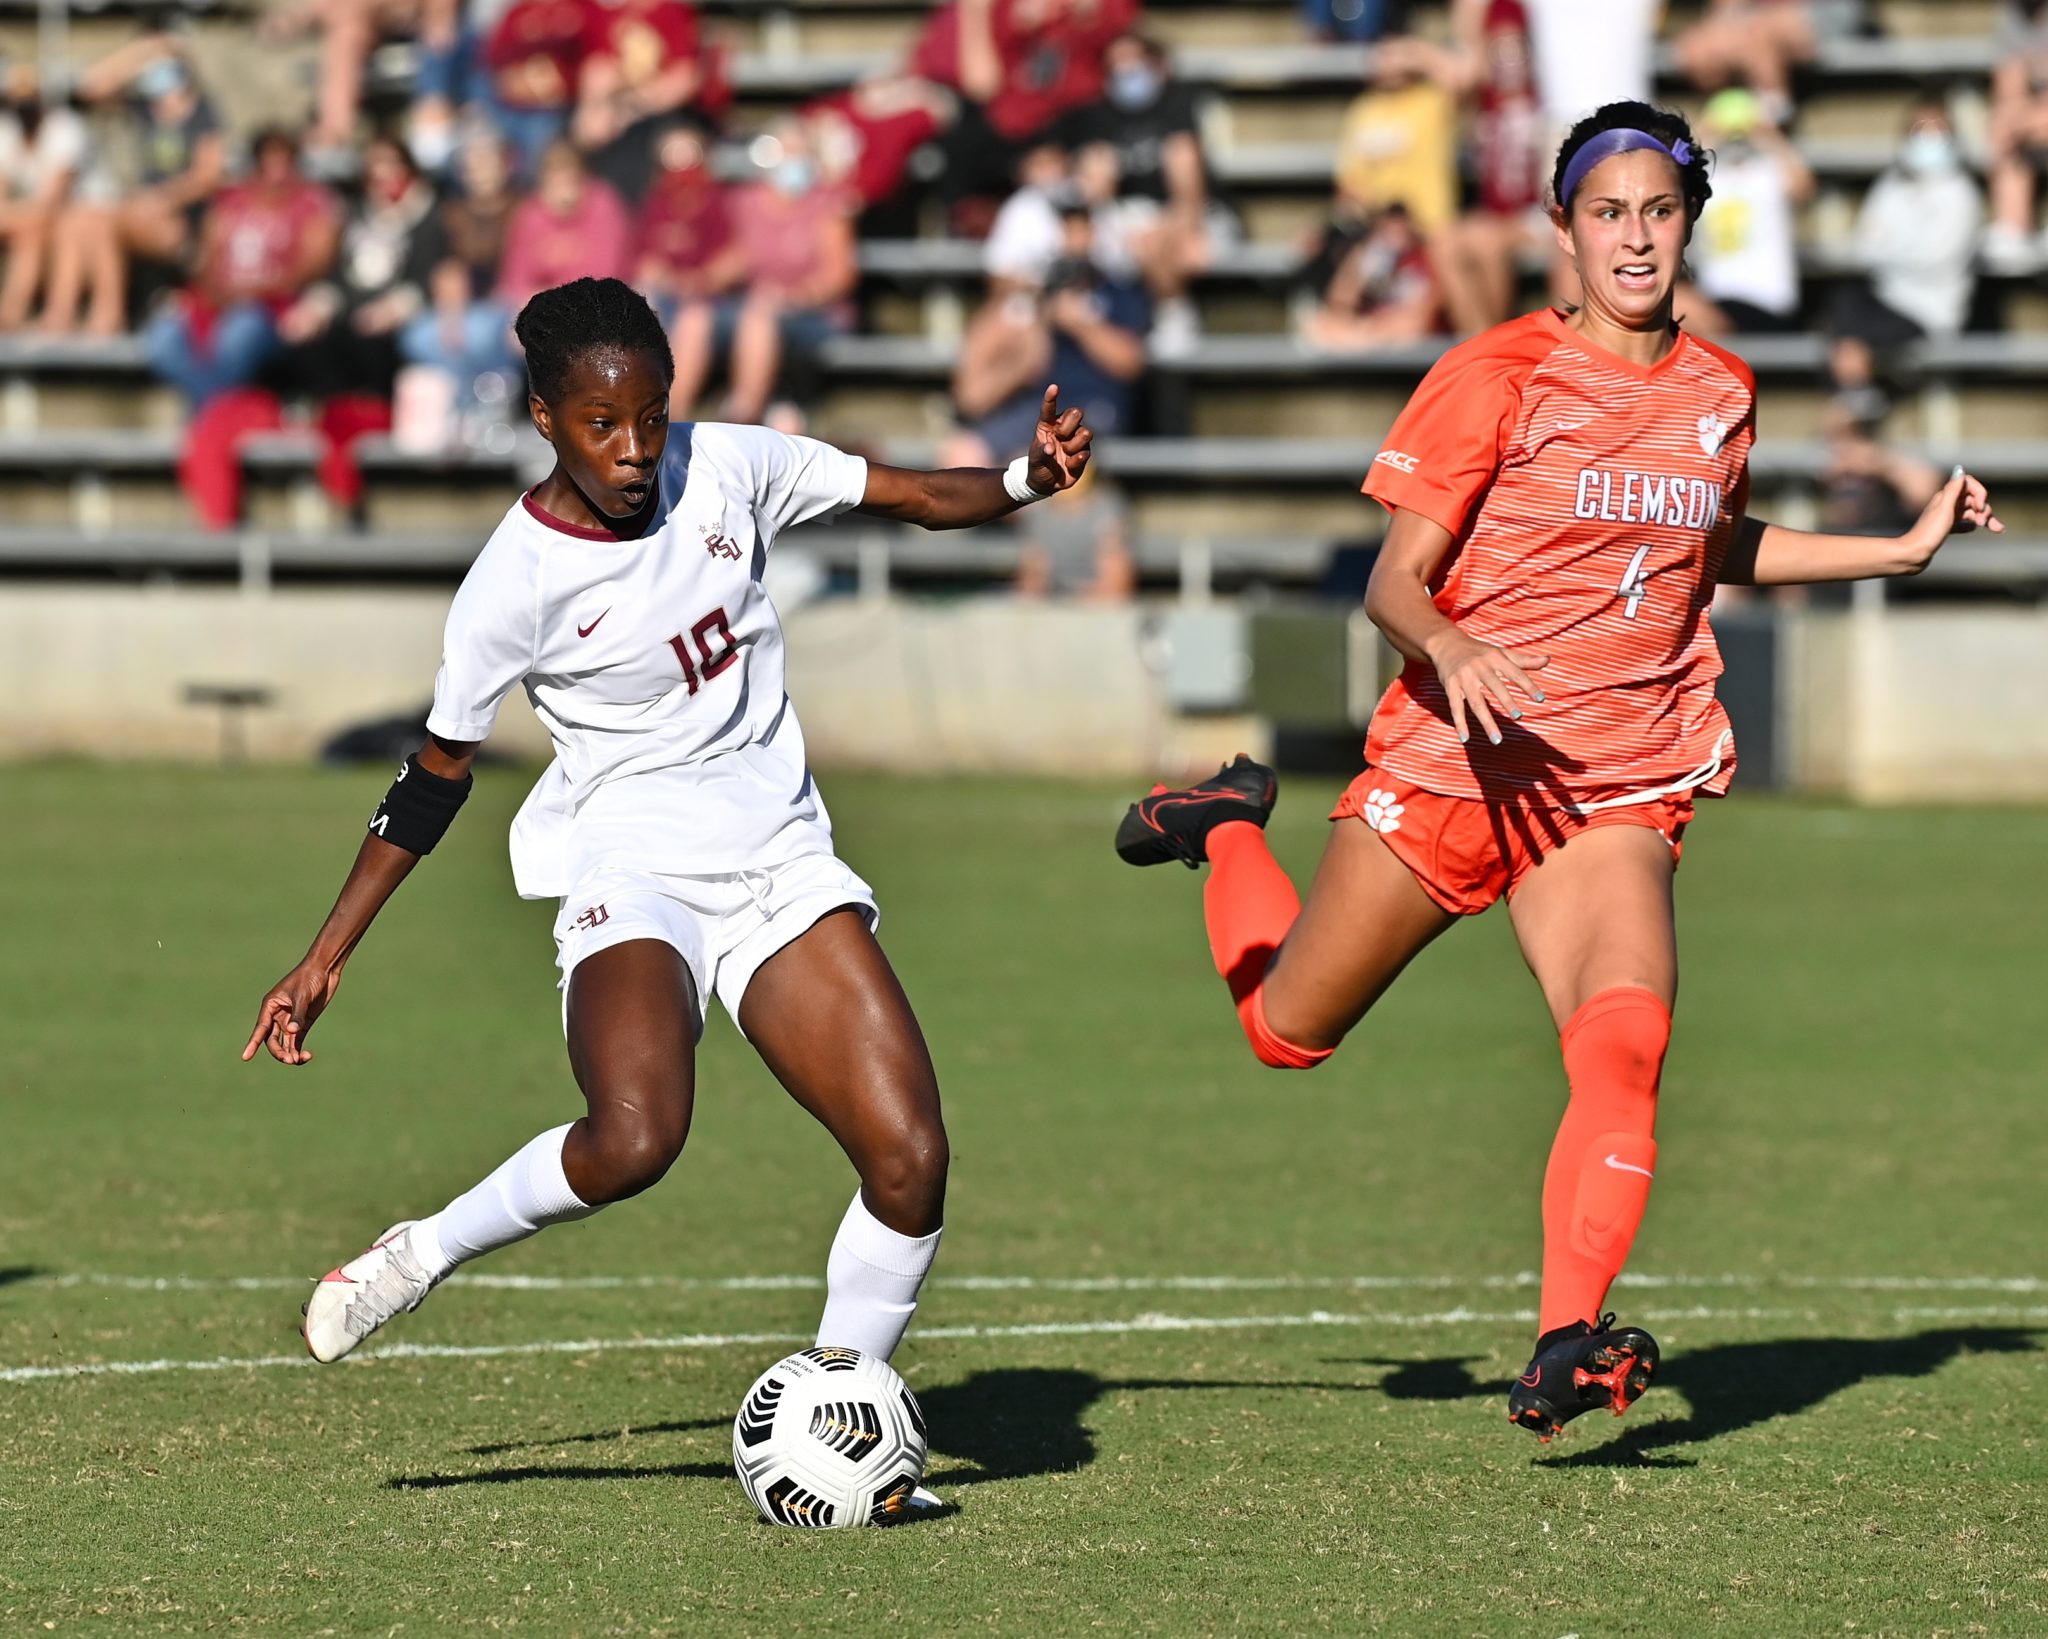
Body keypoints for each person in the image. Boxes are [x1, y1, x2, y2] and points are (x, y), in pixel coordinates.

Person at [1113, 101, 2002, 1444]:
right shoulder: (1495, 374)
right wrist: (1449, 644)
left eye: (1658, 211)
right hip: (1460, 766)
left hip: (1618, 775)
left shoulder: (1722, 389)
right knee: (1284, 1029)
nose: (1634, 237)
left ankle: (1565, 1340)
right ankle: (1225, 821)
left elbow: (1708, 544)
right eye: (1608, 213)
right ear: (1565, 229)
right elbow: (1394, 581)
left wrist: (1894, 550)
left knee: (1624, 1041)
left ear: (1690, 223)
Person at [240, 281, 1094, 1492]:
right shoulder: (510, 584)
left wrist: (1023, 480)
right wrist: (323, 957)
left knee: (909, 1159)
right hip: (630, 866)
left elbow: (907, 495)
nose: (636, 450)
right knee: (636, 1138)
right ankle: (419, 1250)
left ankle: (837, 1424)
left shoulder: (726, 466)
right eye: (602, 425)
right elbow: (433, 778)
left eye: (650, 416)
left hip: (777, 859)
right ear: (545, 417)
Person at [1059, 31, 1236, 352]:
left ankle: (1172, 311)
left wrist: (1179, 227)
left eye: (1134, 60)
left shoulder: (1179, 103)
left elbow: (1189, 184)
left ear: (1157, 64)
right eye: (1116, 63)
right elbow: (1094, 193)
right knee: (1144, 239)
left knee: (1176, 173)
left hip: (1192, 214)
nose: (1126, 70)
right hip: (1134, 220)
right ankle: (1172, 307)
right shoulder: (1098, 115)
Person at [39, 39, 227, 335]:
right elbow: (88, 87)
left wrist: (162, 198)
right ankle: (64, 313)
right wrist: (142, 51)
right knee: (80, 220)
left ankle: (108, 316)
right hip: (140, 210)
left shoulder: (202, 110)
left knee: (108, 220)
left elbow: (208, 176)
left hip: (183, 221)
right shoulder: (144, 107)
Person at [144, 128, 342, 407]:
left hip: (273, 308)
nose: (276, 174)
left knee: (238, 335)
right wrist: (218, 292)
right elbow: (207, 261)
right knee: (162, 339)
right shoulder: (229, 203)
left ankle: (208, 416)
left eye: (283, 164)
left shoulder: (313, 204)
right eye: (268, 164)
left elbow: (313, 265)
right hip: (219, 300)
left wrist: (254, 290)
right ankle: (214, 411)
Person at [1825, 100, 1982, 423]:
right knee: (1843, 303)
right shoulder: (1891, 185)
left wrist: (1889, 251)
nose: (1928, 139)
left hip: (1928, 311)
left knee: (1851, 335)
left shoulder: (1962, 193)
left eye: (1937, 130)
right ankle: (1856, 396)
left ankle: (1855, 402)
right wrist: (1895, 252)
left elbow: (1938, 259)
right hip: (1886, 296)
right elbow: (1865, 245)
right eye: (1920, 129)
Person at [952, 191, 1148, 451]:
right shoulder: (1030, 302)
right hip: (1038, 409)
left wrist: (1081, 324)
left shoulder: (1118, 292)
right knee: (964, 451)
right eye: (1066, 228)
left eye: (1082, 227)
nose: (1073, 239)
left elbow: (1131, 363)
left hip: (1092, 408)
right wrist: (1025, 349)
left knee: (1043, 455)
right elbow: (972, 395)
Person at [1687, 87, 1812, 335]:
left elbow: (1804, 188)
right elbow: (1671, 178)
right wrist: (1704, 133)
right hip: (1716, 299)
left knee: (1680, 307)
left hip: (1766, 301)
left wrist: (1767, 133)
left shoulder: (1768, 172)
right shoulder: (1707, 177)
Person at [0, 64, 94, 330]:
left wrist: (9, 216)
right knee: (29, 232)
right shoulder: (8, 129)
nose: (22, 106)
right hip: (38, 218)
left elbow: (51, 202)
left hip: (84, 212)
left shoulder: (65, 128)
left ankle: (20, 313)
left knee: (41, 230)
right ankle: (13, 313)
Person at [1301, 202, 1442, 350]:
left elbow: (1425, 317)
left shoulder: (1427, 257)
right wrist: (1358, 263)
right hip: (1372, 329)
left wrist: (1374, 326)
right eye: (1389, 225)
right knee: (1323, 323)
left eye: (1401, 224)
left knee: (1406, 328)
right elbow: (1339, 302)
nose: (1396, 231)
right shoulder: (1373, 255)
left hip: (1404, 331)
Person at [1984, 0, 2048, 273]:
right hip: (2034, 117)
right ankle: (2013, 229)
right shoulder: (2011, 16)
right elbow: (2008, 86)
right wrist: (2018, 121)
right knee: (2003, 128)